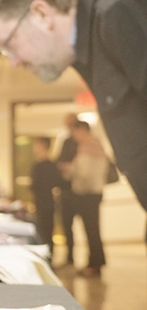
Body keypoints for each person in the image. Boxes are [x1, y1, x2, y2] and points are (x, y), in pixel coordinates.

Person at [0, 0, 147, 215]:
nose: (14, 62)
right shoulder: (94, 45)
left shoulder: (118, 12)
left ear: (41, 13)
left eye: (10, 45)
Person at [67, 120, 107, 277]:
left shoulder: (86, 146)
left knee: (91, 230)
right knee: (94, 229)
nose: (74, 137)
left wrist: (70, 171)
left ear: (82, 130)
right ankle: (96, 262)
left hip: (87, 194)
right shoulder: (98, 145)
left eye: (75, 132)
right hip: (96, 192)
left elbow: (83, 174)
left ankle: (93, 264)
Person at [30, 136, 62, 260]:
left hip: (45, 202)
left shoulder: (44, 166)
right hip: (46, 201)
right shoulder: (50, 165)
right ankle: (48, 257)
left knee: (46, 231)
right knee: (46, 230)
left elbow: (36, 185)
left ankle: (47, 257)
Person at [55, 113, 80, 268]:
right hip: (66, 191)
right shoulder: (66, 142)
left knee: (90, 227)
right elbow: (59, 162)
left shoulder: (84, 143)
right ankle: (70, 257)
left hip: (83, 192)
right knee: (67, 225)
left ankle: (94, 261)